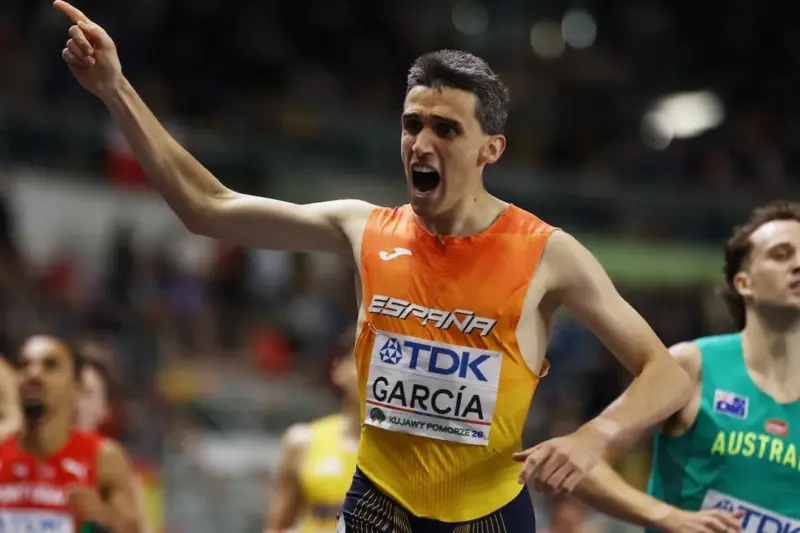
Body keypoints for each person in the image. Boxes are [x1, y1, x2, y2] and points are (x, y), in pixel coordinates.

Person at [54, 2, 694, 530]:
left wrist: (596, 438)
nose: (421, 142)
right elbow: (208, 207)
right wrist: (115, 88)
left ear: (489, 149)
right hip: (378, 504)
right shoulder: (363, 228)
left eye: (446, 129)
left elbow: (665, 373)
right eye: (412, 124)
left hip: (490, 515)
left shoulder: (547, 252)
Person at [574, 201, 800, 533]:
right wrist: (669, 517)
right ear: (743, 283)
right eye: (781, 255)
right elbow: (583, 462)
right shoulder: (691, 365)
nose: (798, 265)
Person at [0, 335, 142, 533]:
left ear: (76, 387)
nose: (33, 373)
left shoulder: (103, 457)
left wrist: (103, 517)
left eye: (50, 366)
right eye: (24, 365)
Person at [265, 326, 359, 533]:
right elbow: (277, 526)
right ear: (339, 369)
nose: (371, 373)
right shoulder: (303, 441)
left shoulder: (405, 454)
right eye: (360, 360)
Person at [74, 344, 156, 533]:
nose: (77, 402)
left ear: (105, 410)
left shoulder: (120, 473)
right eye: (73, 389)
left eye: (87, 393)